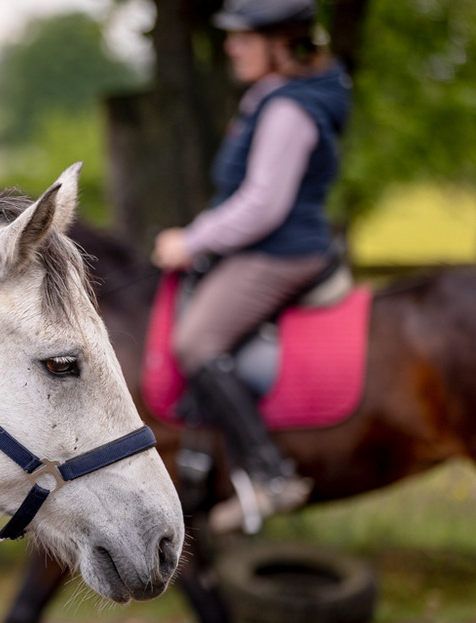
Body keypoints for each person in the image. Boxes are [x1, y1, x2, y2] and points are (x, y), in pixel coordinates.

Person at [150, 0, 352, 531]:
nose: (232, 46)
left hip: (280, 252)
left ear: (282, 44)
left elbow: (264, 204)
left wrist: (192, 241)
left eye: (244, 38)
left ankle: (271, 474)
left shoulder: (289, 109)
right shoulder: (273, 93)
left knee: (195, 343)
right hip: (269, 244)